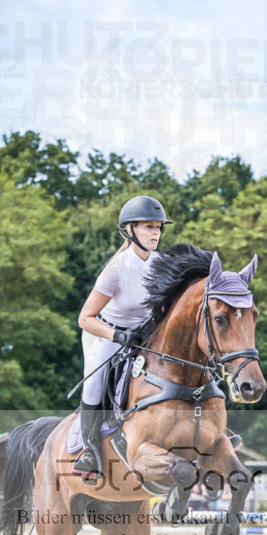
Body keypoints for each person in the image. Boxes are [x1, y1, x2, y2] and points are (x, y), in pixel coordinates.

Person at [74, 194, 173, 484]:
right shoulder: (116, 269)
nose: (156, 233)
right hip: (105, 333)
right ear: (129, 230)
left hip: (144, 335)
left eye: (158, 227)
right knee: (94, 384)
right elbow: (85, 318)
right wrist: (117, 335)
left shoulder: (162, 264)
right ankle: (89, 450)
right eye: (149, 227)